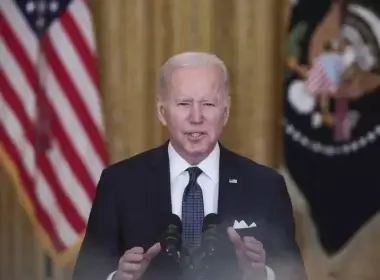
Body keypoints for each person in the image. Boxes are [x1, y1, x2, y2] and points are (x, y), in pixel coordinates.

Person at [72, 52, 307, 280]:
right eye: (184, 103)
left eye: (208, 104)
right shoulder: (120, 184)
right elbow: (85, 275)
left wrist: (262, 275)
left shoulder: (265, 186)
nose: (196, 117)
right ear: (162, 112)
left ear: (225, 112)